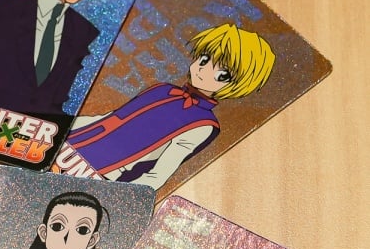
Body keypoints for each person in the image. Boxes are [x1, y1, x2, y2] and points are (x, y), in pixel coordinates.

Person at [67, 24, 275, 189]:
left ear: (237, 85)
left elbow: (160, 173)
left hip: (100, 174)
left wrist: (113, 194)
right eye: (204, 60)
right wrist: (63, 125)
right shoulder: (163, 90)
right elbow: (111, 118)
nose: (204, 71)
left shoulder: (203, 124)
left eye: (222, 74)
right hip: (72, 145)